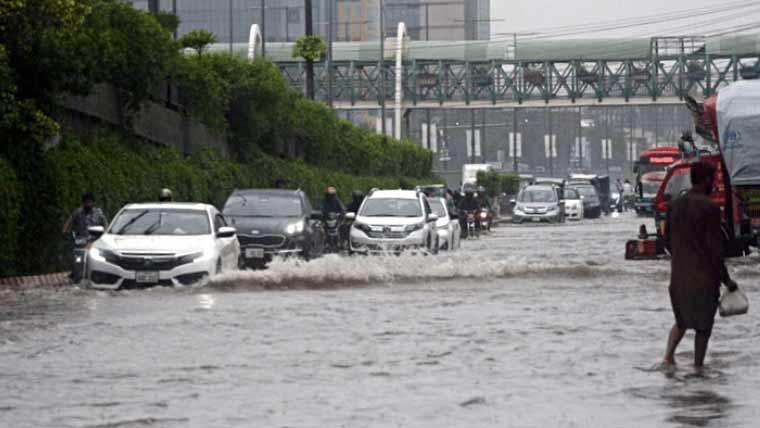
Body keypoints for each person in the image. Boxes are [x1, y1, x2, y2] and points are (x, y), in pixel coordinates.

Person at [662, 161, 738, 368]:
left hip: (678, 279)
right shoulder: (710, 208)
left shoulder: (674, 206)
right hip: (703, 280)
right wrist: (727, 280)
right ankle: (698, 370)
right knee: (703, 329)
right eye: (712, 181)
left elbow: (666, 241)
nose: (713, 184)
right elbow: (715, 249)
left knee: (682, 321)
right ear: (706, 181)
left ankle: (667, 358)